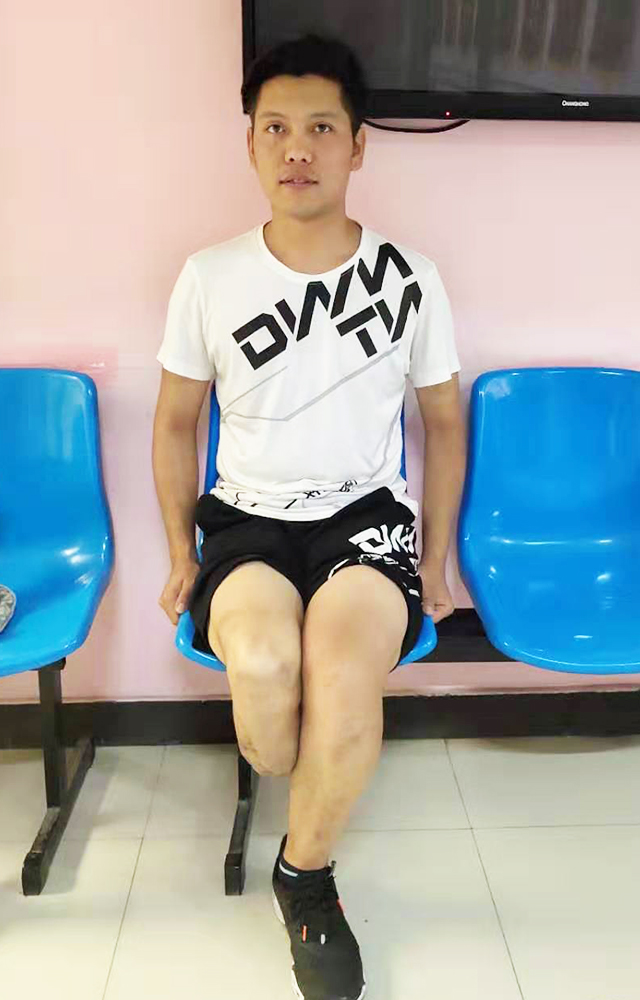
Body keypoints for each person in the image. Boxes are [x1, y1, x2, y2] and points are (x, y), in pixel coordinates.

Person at [152, 33, 466, 1000]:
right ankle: (308, 773)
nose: (298, 149)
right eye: (276, 128)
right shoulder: (209, 276)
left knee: (342, 676)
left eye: (322, 128)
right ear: (250, 143)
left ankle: (305, 873)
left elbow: (444, 423)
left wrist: (436, 562)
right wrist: (179, 553)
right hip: (246, 520)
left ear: (357, 146)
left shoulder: (410, 278)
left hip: (366, 521)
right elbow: (174, 423)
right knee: (267, 677)